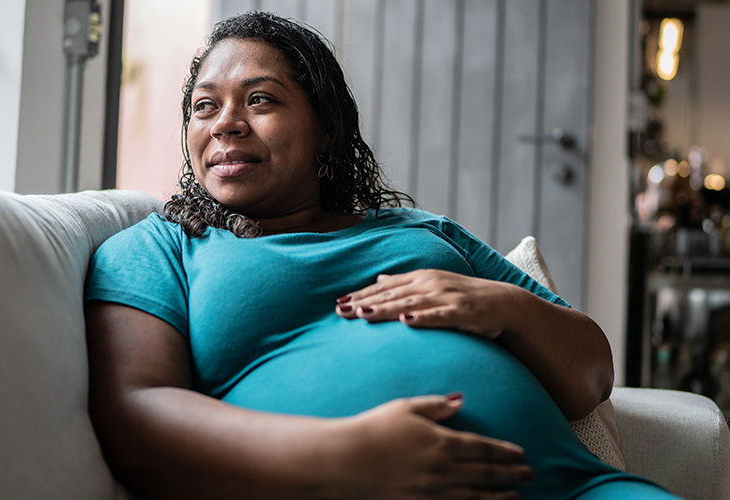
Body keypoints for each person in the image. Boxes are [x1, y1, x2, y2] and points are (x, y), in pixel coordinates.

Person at [84, 11, 678, 500]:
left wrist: (503, 306)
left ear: (323, 128)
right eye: (204, 107)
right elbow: (137, 416)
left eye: (259, 100)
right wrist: (340, 456)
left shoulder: (424, 232)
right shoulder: (157, 248)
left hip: (575, 491)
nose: (225, 125)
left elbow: (592, 377)